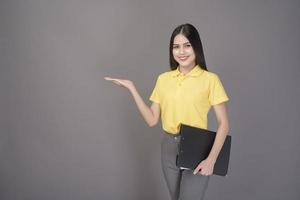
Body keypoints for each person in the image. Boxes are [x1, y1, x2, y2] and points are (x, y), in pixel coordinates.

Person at [104, 23, 230, 200]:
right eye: (176, 47)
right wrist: (132, 88)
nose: (181, 52)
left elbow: (224, 123)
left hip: (197, 149)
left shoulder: (210, 80)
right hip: (169, 147)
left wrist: (211, 160)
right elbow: (152, 120)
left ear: (196, 46)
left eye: (187, 45)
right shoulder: (164, 80)